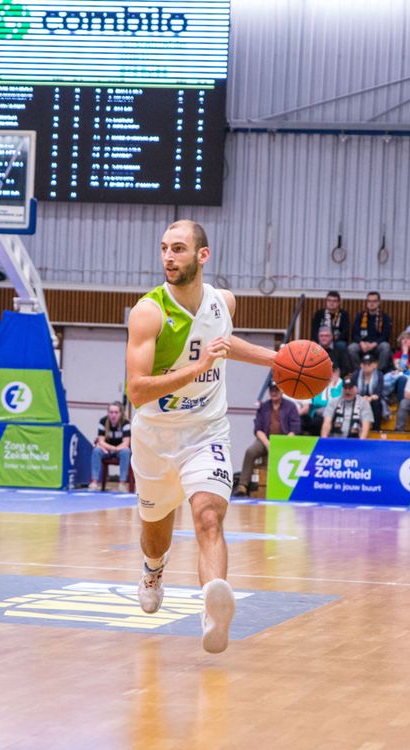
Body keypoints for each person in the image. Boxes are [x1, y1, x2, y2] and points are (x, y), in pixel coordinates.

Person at [124, 219, 279, 654]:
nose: (168, 257)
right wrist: (196, 368)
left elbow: (223, 342)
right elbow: (137, 390)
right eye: (164, 249)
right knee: (156, 533)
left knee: (209, 516)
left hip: (206, 430)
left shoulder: (223, 302)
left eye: (178, 248)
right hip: (155, 437)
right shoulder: (149, 312)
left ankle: (213, 606)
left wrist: (279, 358)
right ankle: (153, 568)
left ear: (202, 255)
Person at [236, 382, 300, 497]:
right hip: (265, 440)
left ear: (282, 391)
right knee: (250, 451)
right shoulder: (264, 407)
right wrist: (267, 443)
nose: (274, 393)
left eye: (276, 390)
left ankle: (283, 488)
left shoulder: (290, 406)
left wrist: (282, 443)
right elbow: (258, 429)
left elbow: (295, 429)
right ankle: (243, 486)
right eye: (271, 390)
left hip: (284, 441)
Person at [88, 401, 132, 491]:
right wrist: (111, 448)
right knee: (96, 451)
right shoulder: (103, 421)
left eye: (116, 412)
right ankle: (94, 482)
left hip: (120, 450)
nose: (113, 415)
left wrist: (116, 449)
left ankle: (122, 483)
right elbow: (101, 441)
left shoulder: (126, 423)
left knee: (126, 451)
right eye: (111, 412)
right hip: (106, 450)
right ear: (108, 413)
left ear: (120, 413)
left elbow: (126, 443)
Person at [348, 290, 393, 372]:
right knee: (352, 348)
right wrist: (361, 343)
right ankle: (358, 372)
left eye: (374, 301)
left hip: (376, 345)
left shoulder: (385, 317)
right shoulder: (360, 316)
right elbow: (355, 333)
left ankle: (379, 373)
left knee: (386, 346)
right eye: (369, 301)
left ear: (379, 302)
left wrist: (373, 344)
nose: (371, 304)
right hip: (362, 345)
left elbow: (385, 335)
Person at [300, 364, 344, 436]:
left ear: (338, 372)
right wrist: (327, 403)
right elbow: (315, 401)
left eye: (333, 371)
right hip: (315, 415)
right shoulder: (318, 382)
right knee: (315, 420)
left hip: (333, 415)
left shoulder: (341, 383)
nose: (331, 373)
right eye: (328, 370)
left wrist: (333, 387)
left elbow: (337, 402)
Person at [310, 290, 351, 360]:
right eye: (329, 300)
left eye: (334, 301)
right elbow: (314, 330)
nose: (331, 303)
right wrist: (322, 340)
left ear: (339, 302)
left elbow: (345, 332)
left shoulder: (344, 314)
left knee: (341, 345)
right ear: (326, 302)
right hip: (321, 340)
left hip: (337, 341)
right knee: (313, 346)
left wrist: (331, 340)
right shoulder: (319, 314)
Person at [384, 331, 410, 403]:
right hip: (399, 379)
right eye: (403, 338)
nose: (405, 340)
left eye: (408, 338)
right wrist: (405, 353)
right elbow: (401, 368)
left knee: (403, 378)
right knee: (400, 379)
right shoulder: (397, 354)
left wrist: (406, 370)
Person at [353, 352, 385, 429]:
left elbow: (378, 393)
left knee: (376, 403)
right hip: (359, 398)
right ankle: (355, 428)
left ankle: (376, 429)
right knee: (355, 403)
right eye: (364, 364)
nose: (366, 366)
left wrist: (370, 398)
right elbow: (353, 391)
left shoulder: (379, 375)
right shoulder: (356, 374)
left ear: (374, 365)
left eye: (369, 364)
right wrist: (361, 398)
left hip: (373, 399)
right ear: (361, 365)